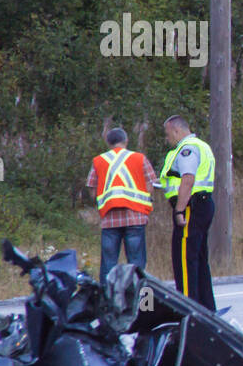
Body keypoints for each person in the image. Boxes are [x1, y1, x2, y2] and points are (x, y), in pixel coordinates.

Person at [85, 126, 156, 288]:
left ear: (108, 142)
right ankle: (141, 304)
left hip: (110, 219)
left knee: (108, 265)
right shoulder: (139, 158)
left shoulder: (99, 161)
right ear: (126, 141)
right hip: (136, 217)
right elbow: (150, 185)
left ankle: (108, 304)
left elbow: (92, 189)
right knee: (137, 264)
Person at [160, 115, 217, 311]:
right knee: (199, 259)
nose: (167, 139)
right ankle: (206, 308)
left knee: (184, 260)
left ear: (176, 131)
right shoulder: (202, 146)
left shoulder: (187, 149)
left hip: (191, 207)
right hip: (202, 204)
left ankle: (187, 310)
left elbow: (187, 179)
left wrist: (179, 210)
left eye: (168, 134)